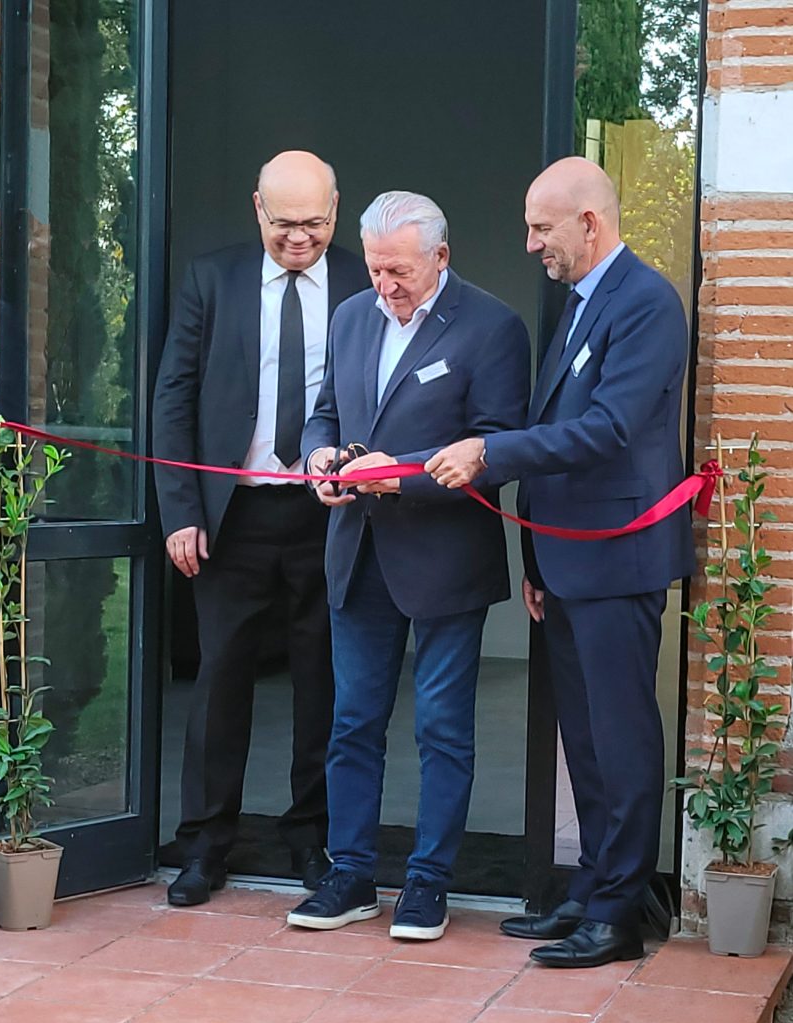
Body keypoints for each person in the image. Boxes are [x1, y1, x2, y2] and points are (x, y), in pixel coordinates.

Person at [425, 157, 695, 966]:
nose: (531, 243)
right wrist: (536, 559)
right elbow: (561, 426)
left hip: (618, 560)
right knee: (584, 740)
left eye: (542, 227)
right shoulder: (580, 303)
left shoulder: (646, 303)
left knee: (621, 738)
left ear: (590, 223)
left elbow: (609, 429)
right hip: (570, 562)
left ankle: (618, 915)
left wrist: (488, 452)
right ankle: (591, 888)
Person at [285, 190, 530, 940]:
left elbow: (497, 446)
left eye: (400, 271)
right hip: (357, 552)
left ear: (441, 257)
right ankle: (351, 874)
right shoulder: (351, 317)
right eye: (375, 269)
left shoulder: (493, 326)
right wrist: (320, 458)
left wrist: (403, 476)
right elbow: (325, 412)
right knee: (352, 722)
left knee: (442, 729)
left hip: (445, 559)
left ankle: (429, 883)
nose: (385, 285)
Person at [153, 150, 369, 906]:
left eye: (314, 222)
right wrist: (181, 512)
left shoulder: (363, 282)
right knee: (220, 681)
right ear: (257, 210)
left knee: (322, 681)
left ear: (335, 212)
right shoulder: (211, 279)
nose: (299, 237)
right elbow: (173, 398)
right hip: (231, 518)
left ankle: (311, 838)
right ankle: (205, 844)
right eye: (284, 223)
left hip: (327, 514)